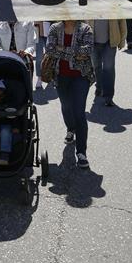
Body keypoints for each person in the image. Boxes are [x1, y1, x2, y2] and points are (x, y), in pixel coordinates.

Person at [46, 20, 95, 169]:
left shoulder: (86, 29)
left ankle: (81, 153)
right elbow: (50, 49)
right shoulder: (55, 28)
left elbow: (87, 51)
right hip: (61, 76)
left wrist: (62, 50)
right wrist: (75, 52)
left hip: (81, 75)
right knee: (66, 106)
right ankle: (70, 129)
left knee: (79, 112)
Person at [90, 19, 126, 107]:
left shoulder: (113, 5)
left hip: (110, 41)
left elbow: (122, 21)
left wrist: (122, 40)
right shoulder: (88, 5)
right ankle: (99, 87)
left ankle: (108, 97)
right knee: (96, 66)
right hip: (92, 41)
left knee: (108, 68)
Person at [34, 21, 51, 89]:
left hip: (48, 30)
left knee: (50, 55)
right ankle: (39, 78)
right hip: (37, 31)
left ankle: (50, 75)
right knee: (39, 57)